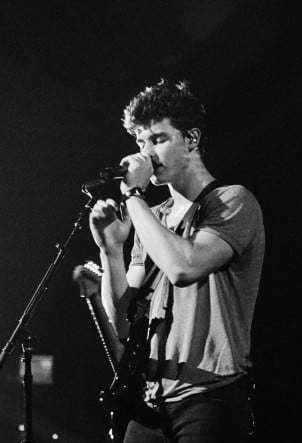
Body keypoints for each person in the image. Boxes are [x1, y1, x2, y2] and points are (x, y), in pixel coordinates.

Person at [88, 79, 265, 443]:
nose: (146, 153)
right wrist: (111, 252)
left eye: (158, 139)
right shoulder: (152, 220)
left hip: (210, 398)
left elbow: (183, 267)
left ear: (191, 139)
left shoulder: (232, 201)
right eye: (140, 142)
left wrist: (133, 195)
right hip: (151, 403)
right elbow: (123, 323)